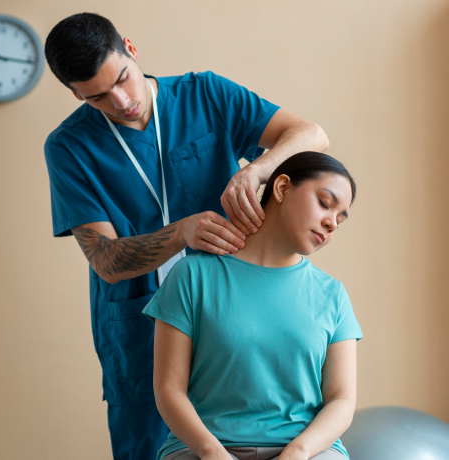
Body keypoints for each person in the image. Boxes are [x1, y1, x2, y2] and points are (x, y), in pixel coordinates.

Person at [43, 12, 329, 460]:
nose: (121, 101)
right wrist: (180, 232)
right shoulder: (68, 148)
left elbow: (310, 134)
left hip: (231, 318)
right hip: (140, 331)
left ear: (131, 49)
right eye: (97, 97)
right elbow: (105, 261)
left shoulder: (205, 94)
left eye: (123, 78)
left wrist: (258, 168)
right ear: (75, 94)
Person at [143, 151, 362, 460]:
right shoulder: (192, 276)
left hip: (307, 450)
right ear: (282, 188)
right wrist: (212, 453)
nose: (332, 223)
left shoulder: (332, 294)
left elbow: (341, 401)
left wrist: (297, 453)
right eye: (326, 204)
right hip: (204, 448)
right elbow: (169, 388)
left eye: (340, 218)